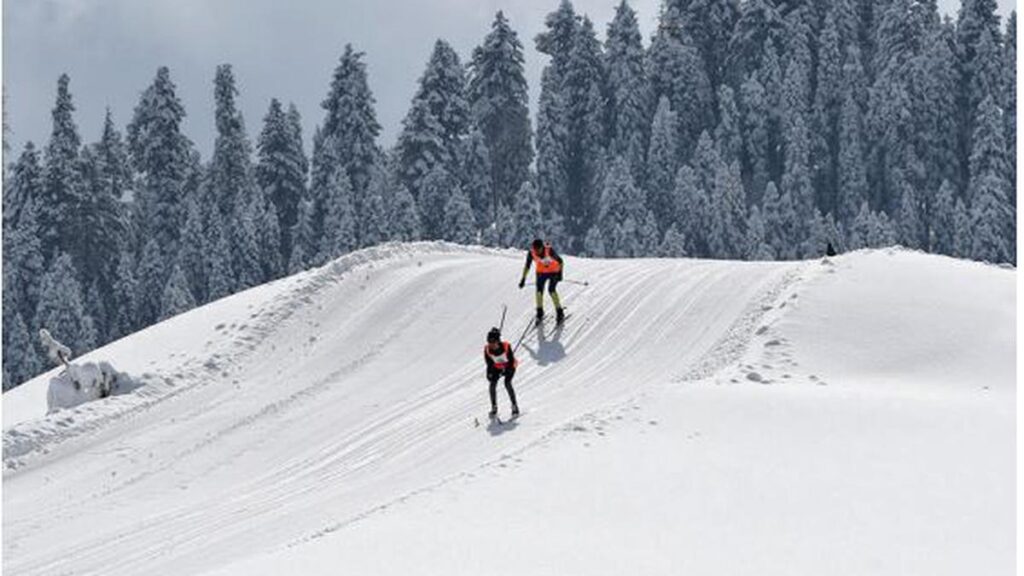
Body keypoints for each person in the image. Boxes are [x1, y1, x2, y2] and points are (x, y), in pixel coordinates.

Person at [518, 238, 565, 324]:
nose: (537, 252)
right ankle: (540, 311)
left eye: (538, 250)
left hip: (554, 271)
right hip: (541, 273)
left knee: (551, 290)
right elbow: (527, 266)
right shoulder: (531, 253)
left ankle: (559, 311)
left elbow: (560, 261)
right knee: (539, 292)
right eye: (535, 249)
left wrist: (560, 274)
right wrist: (523, 279)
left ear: (542, 247)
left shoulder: (549, 251)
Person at [483, 327, 519, 418]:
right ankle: (494, 407)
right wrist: (489, 374)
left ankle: (514, 406)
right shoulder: (487, 349)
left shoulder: (506, 346)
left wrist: (507, 370)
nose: (491, 345)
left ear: (498, 341)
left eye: (493, 343)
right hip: (497, 367)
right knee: (492, 384)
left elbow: (511, 361)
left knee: (507, 383)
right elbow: (489, 363)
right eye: (489, 342)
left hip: (509, 366)